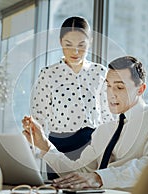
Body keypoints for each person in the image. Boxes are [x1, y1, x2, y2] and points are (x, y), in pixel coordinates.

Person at [22, 55, 148, 190]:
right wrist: (45, 146)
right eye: (108, 86)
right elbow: (80, 172)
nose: (111, 94)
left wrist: (99, 178)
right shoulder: (104, 130)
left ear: (140, 90)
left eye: (120, 88)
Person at [29, 16, 112, 178]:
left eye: (82, 45)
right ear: (60, 42)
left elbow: (108, 115)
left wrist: (111, 148)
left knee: (86, 191)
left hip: (91, 145)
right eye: (68, 45)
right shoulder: (48, 74)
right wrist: (33, 150)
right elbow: (38, 115)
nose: (75, 51)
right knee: (57, 191)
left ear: (90, 42)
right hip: (57, 144)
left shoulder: (100, 73)